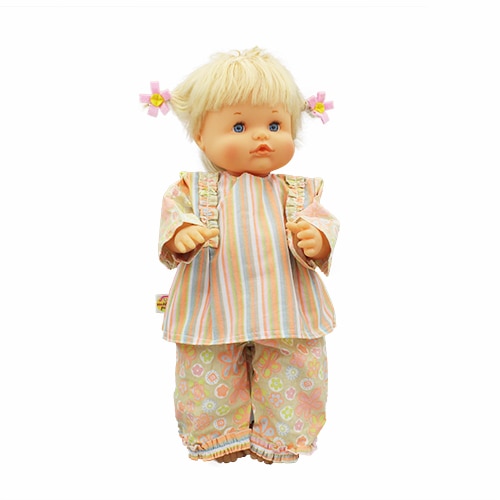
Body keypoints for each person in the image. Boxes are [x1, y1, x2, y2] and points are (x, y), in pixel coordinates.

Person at [142, 47, 340, 463]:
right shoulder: (192, 189)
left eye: (275, 124)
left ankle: (282, 437)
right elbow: (172, 219)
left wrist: (317, 239)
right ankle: (218, 436)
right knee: (206, 373)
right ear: (201, 137)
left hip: (286, 309)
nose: (261, 136)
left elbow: (323, 222)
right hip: (213, 305)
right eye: (239, 125)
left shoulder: (298, 191)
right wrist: (182, 234)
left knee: (295, 371)